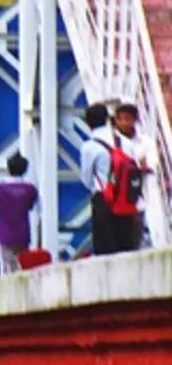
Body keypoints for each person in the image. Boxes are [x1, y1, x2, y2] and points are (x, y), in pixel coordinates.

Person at [79, 103, 140, 255]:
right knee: (126, 247)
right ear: (108, 119)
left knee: (105, 248)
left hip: (104, 198)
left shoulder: (89, 146)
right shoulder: (126, 143)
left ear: (87, 122)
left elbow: (86, 179)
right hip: (126, 198)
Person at [0, 154, 39, 273]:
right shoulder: (30, 189)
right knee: (23, 266)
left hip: (5, 234)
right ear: (25, 170)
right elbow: (30, 206)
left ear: (8, 168)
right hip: (23, 234)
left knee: (7, 267)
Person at [113, 103, 154, 247]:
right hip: (114, 202)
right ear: (116, 120)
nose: (124, 123)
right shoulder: (111, 142)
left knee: (134, 242)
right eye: (121, 119)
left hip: (137, 201)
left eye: (128, 119)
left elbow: (151, 165)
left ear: (135, 120)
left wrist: (138, 168)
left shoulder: (146, 142)